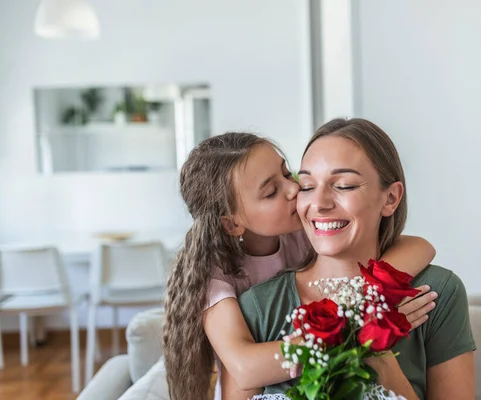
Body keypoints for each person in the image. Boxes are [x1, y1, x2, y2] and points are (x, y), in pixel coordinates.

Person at [163, 132, 439, 400]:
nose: (295, 189)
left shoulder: (303, 233)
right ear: (233, 223)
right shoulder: (215, 274)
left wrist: (369, 296)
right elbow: (245, 369)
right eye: (272, 191)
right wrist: (355, 330)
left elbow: (420, 247)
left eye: (288, 173)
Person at [228, 119, 476, 400]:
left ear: (390, 198)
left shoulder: (437, 292)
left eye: (344, 186)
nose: (319, 203)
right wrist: (356, 331)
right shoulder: (258, 305)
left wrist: (376, 353)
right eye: (307, 185)